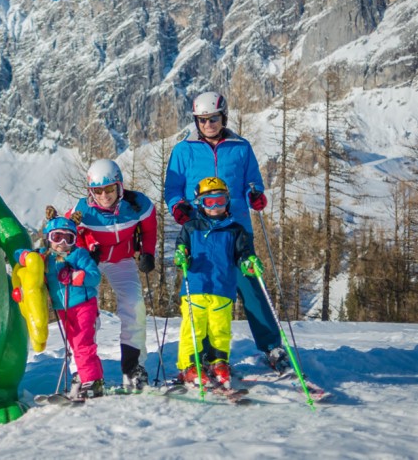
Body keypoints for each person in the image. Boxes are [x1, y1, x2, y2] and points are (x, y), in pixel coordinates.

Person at [164, 91, 289, 373]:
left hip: (236, 229)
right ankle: (208, 354)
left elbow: (252, 181)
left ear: (224, 117)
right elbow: (172, 188)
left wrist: (254, 194)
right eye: (202, 119)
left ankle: (272, 347)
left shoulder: (240, 147)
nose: (208, 124)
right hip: (199, 231)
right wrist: (177, 206)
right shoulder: (183, 150)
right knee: (205, 291)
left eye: (214, 118)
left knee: (250, 285)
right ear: (196, 121)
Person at [69, 159, 157, 391]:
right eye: (97, 191)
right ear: (90, 191)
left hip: (122, 259)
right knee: (84, 312)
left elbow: (149, 227)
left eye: (109, 189)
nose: (104, 195)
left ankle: (133, 368)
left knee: (134, 305)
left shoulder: (138, 204)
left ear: (119, 186)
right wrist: (86, 248)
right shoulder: (82, 210)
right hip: (92, 263)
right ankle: (82, 370)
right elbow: (68, 232)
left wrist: (147, 252)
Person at [173, 177, 263, 387]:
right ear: (199, 204)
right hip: (195, 287)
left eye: (220, 201)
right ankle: (189, 365)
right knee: (193, 329)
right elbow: (181, 247)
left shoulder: (235, 230)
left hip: (222, 288)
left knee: (220, 329)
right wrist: (181, 256)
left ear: (227, 201)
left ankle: (219, 362)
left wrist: (248, 262)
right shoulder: (190, 227)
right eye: (209, 202)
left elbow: (243, 254)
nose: (215, 207)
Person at [15, 207, 104, 399]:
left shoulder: (79, 255)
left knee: (82, 342)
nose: (62, 244)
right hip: (63, 308)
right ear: (48, 238)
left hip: (83, 304)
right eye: (57, 237)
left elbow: (95, 276)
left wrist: (78, 277)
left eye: (68, 238)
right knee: (75, 343)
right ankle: (91, 377)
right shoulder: (44, 257)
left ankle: (91, 380)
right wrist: (25, 256)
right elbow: (19, 254)